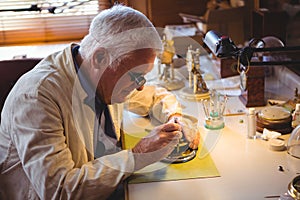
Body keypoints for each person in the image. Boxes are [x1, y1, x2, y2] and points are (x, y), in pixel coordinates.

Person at [0, 4, 199, 199]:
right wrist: (137, 155)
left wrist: (175, 117)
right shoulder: (36, 98)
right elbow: (60, 191)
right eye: (136, 76)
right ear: (100, 58)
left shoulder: (101, 75)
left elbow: (155, 96)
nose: (140, 86)